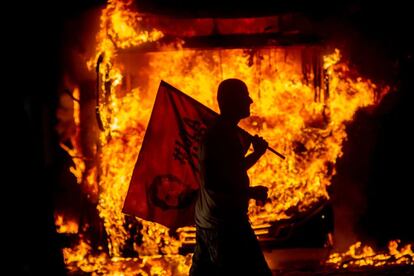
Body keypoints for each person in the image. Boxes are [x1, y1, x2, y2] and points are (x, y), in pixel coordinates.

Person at [190, 79, 272, 276]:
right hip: (224, 224)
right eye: (245, 96)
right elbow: (213, 182)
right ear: (231, 101)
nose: (250, 101)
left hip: (212, 219)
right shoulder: (219, 136)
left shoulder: (225, 132)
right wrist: (250, 192)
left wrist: (256, 154)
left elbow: (232, 169)